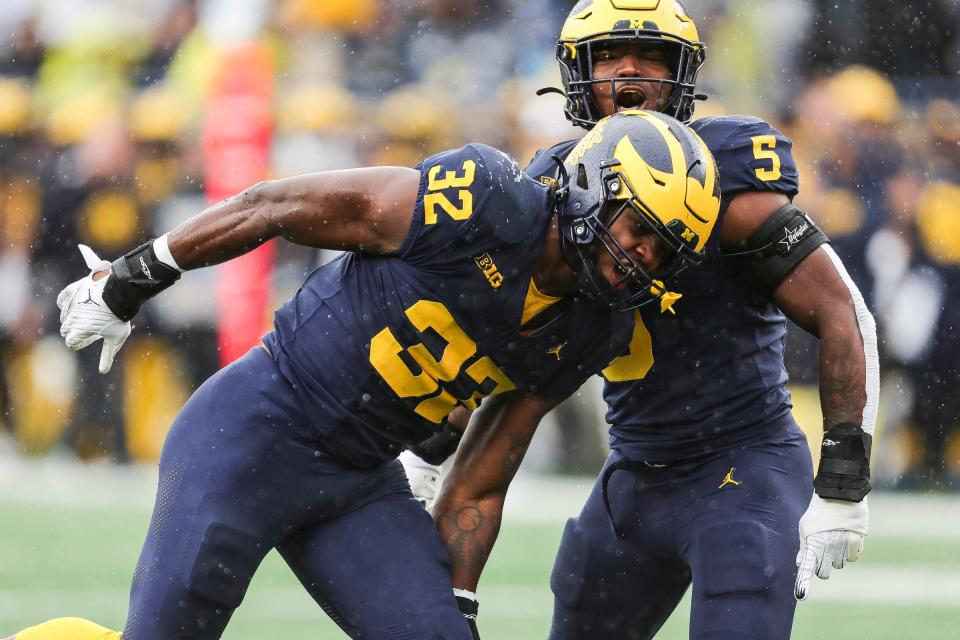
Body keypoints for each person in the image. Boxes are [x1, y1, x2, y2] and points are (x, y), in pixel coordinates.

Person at [9, 109, 720, 640]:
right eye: (640, 230)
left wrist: (457, 602)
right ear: (596, 187)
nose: (645, 258)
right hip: (255, 430)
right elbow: (276, 206)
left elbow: (487, 470)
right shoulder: (486, 201)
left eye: (665, 251)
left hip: (357, 482)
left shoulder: (597, 325)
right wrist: (135, 276)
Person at [429, 2, 879, 639]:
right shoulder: (552, 185)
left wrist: (844, 480)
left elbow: (844, 311)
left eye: (653, 58)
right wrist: (431, 445)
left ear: (684, 75)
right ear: (577, 73)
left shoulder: (727, 171)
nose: (631, 74)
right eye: (609, 56)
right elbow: (504, 334)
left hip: (742, 468)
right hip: (634, 473)